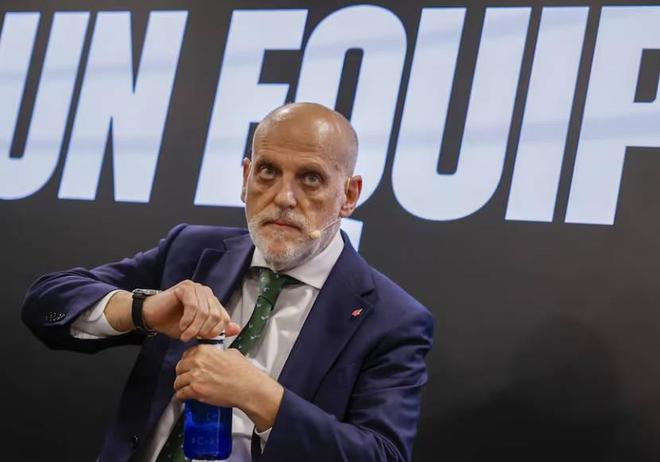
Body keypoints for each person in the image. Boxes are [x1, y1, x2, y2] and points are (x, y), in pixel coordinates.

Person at [22, 102, 434, 462]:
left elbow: (382, 454)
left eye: (310, 178)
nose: (284, 197)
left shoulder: (392, 319)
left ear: (349, 195)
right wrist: (142, 310)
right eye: (268, 172)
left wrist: (263, 398)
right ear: (245, 177)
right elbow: (46, 303)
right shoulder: (191, 251)